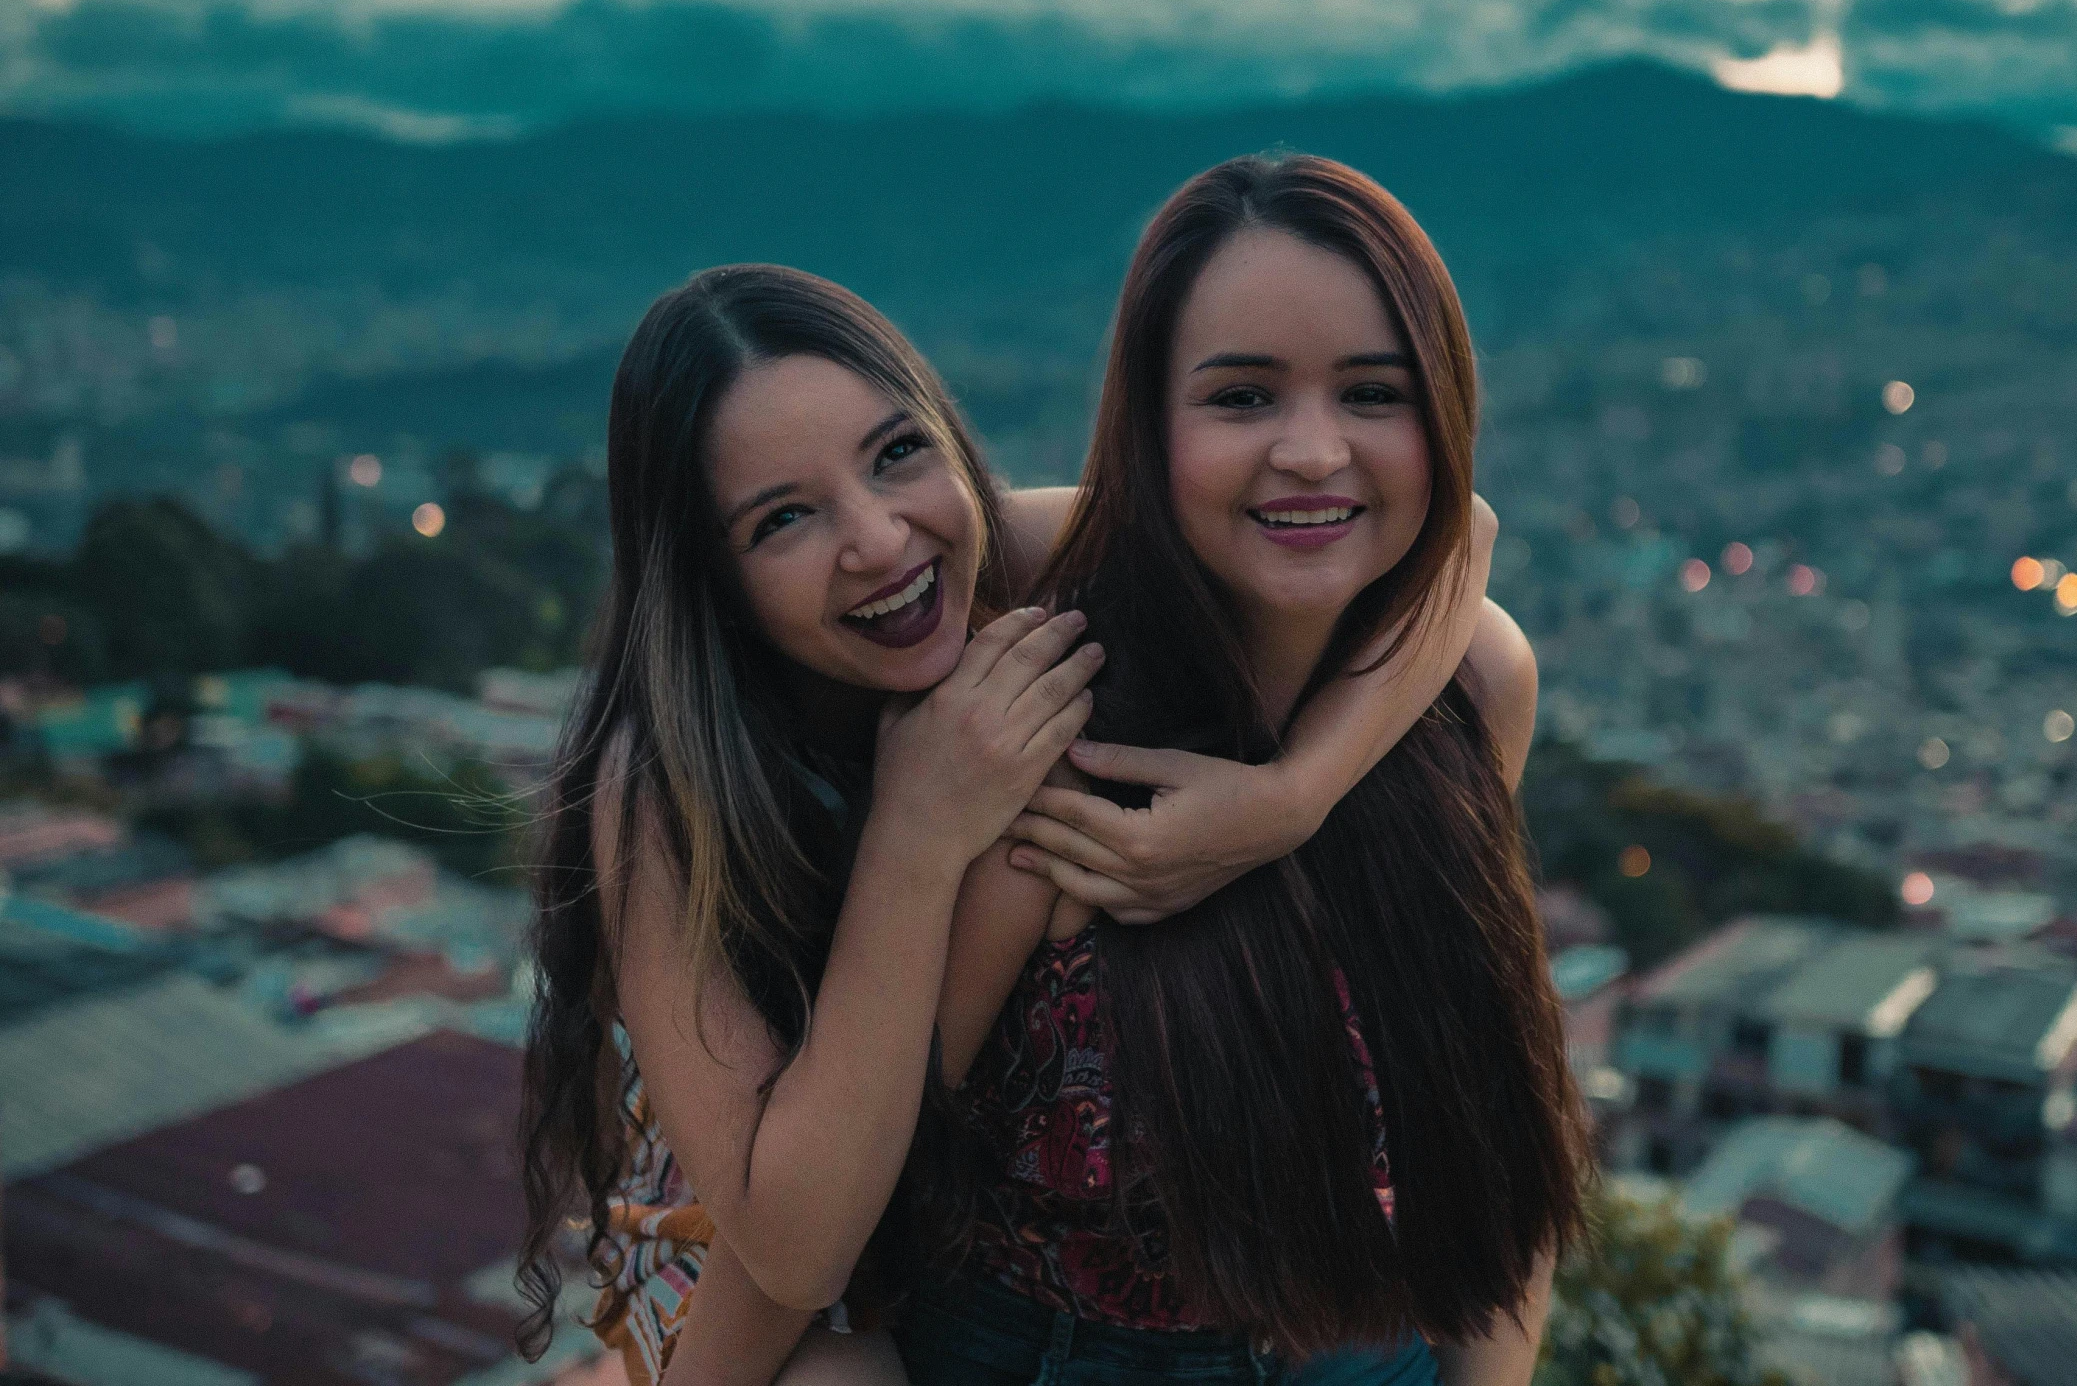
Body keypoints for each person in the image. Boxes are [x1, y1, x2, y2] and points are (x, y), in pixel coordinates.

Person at [515, 265, 1502, 1385]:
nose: (881, 540)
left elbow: (1458, 535)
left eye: (897, 454)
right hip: (730, 1233)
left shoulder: (1015, 558)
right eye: (784, 518)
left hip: (910, 1210)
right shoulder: (662, 787)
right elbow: (786, 1245)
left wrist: (1289, 799)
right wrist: (916, 832)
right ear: (713, 580)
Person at [894, 154, 1591, 1386]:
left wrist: (1290, 797)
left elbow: (1480, 1120)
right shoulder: (1041, 720)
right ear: (1146, 424)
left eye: (1374, 394)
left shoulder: (1472, 690)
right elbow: (886, 1164)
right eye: (1241, 398)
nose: (1314, 451)